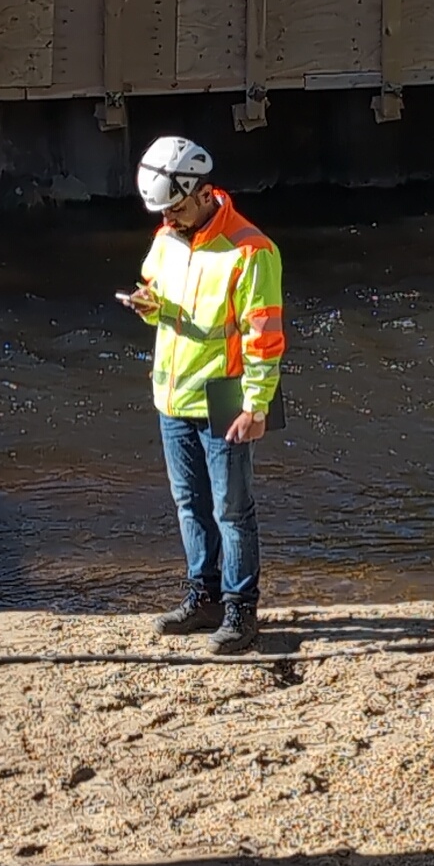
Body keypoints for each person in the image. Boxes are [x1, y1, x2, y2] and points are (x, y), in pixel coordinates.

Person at [121, 136, 284, 652]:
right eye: (163, 211)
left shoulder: (252, 251)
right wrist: (150, 305)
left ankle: (241, 611)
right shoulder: (168, 237)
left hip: (227, 394)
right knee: (190, 504)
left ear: (199, 191)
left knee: (233, 509)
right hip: (172, 395)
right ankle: (204, 597)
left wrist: (257, 405)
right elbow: (162, 296)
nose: (168, 218)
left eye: (175, 207)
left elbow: (265, 335)